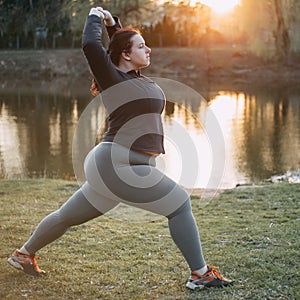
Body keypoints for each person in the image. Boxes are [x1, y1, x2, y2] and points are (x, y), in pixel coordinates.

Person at [8, 7, 233, 290]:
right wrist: (93, 16)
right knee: (179, 204)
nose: (148, 49)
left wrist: (115, 25)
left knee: (66, 217)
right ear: (126, 54)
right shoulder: (112, 79)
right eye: (141, 46)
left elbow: (120, 45)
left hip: (120, 167)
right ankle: (200, 274)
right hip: (115, 164)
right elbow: (92, 45)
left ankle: (23, 255)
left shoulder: (133, 77)